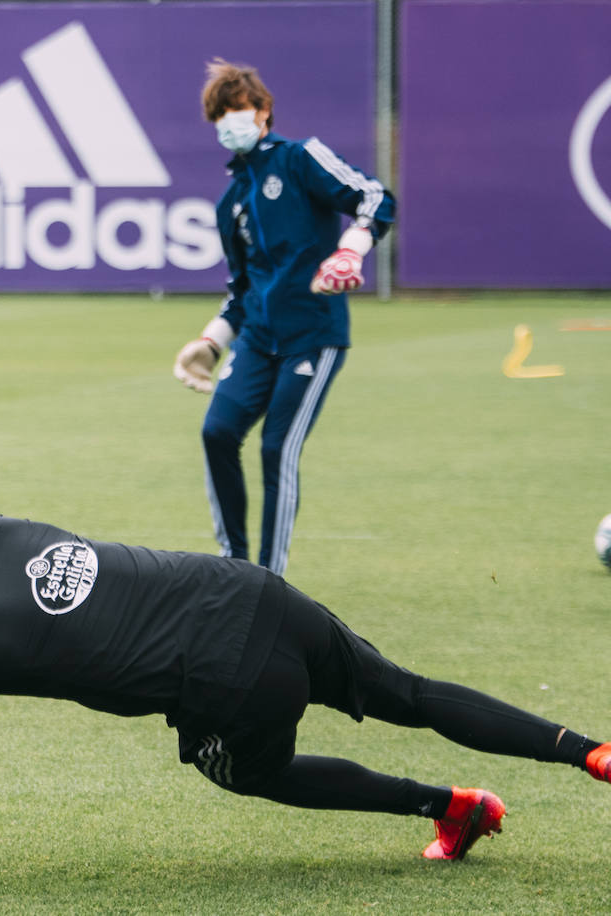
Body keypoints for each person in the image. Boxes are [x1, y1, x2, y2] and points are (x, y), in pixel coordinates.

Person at [0, 501, 611, 861]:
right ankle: (600, 754)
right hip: (250, 595)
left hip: (225, 684)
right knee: (406, 691)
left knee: (243, 771)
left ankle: (450, 807)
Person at [173, 59, 396, 576]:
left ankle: (269, 583)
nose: (231, 121)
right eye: (221, 116)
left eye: (239, 109)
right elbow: (241, 290)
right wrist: (209, 344)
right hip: (256, 340)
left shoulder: (301, 159)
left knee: (278, 448)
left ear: (264, 111)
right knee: (217, 432)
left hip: (312, 337)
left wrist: (350, 251)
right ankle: (234, 568)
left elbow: (375, 197)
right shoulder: (230, 202)